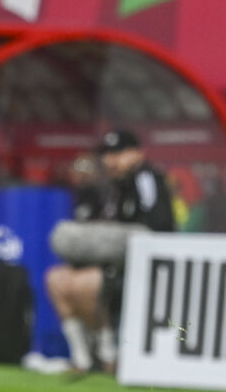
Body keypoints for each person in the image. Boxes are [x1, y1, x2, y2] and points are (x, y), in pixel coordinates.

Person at [45, 129, 173, 376]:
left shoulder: (146, 178)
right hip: (110, 263)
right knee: (57, 278)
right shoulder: (110, 187)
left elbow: (158, 228)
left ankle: (107, 352)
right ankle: (82, 356)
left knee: (87, 284)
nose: (110, 160)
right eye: (107, 154)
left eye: (118, 153)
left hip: (146, 270)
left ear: (137, 154)